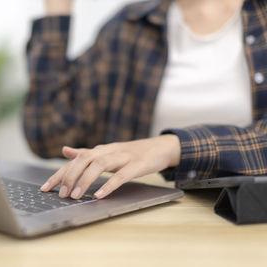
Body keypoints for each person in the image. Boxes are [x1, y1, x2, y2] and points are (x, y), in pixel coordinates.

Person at [24, 0, 267, 200]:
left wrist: (173, 147)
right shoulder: (130, 25)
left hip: (241, 218)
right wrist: (57, 9)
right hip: (138, 215)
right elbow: (48, 135)